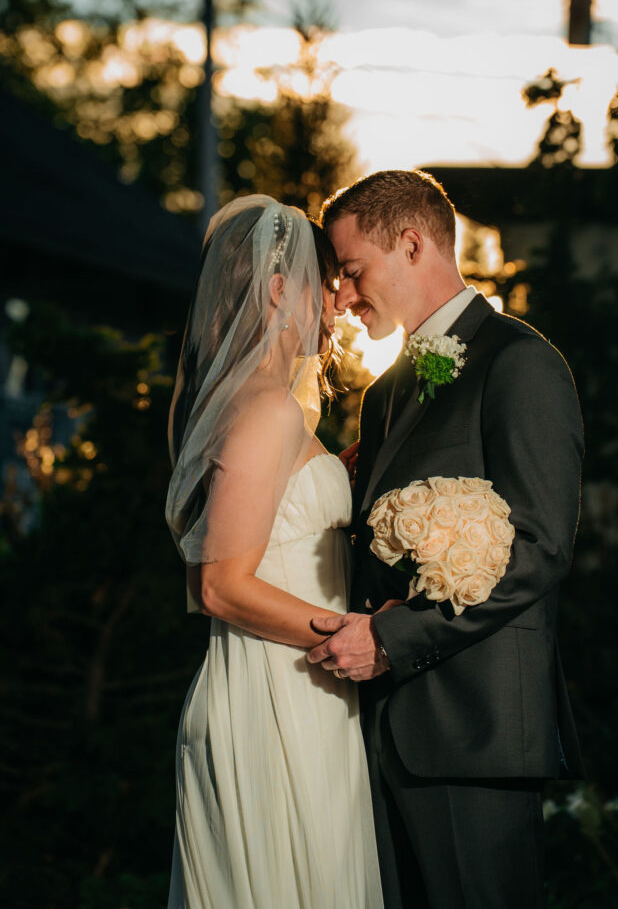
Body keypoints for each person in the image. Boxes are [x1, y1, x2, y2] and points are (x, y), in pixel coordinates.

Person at [308, 170, 584, 909]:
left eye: (352, 270)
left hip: (474, 728)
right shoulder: (383, 391)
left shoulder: (520, 364)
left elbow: (537, 545)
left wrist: (392, 639)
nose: (343, 294)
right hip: (378, 728)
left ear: (410, 243)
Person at [165, 195, 383, 909]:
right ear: (278, 286)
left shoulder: (267, 401)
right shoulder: (264, 408)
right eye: (325, 284)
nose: (336, 303)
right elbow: (220, 587)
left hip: (299, 686)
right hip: (277, 690)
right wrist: (357, 638)